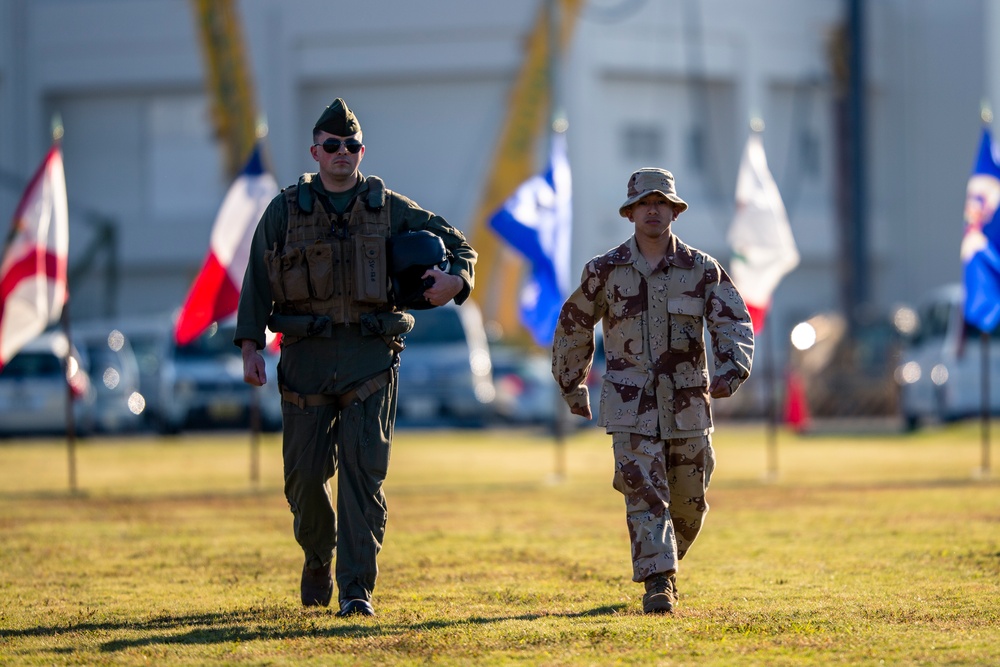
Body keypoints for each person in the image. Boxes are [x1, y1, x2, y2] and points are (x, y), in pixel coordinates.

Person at [234, 98, 477, 616]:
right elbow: (256, 277)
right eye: (331, 146)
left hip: (371, 358)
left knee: (363, 478)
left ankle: (355, 591)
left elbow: (459, 244)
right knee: (303, 480)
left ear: (361, 152)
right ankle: (318, 555)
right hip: (305, 360)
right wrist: (251, 346)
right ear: (315, 152)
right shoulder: (285, 209)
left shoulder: (389, 207)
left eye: (350, 146)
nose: (341, 153)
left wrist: (457, 279)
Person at [551, 167, 753, 614]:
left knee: (690, 502)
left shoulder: (702, 270)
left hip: (687, 406)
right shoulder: (604, 271)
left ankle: (665, 561)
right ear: (630, 212)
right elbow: (573, 326)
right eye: (645, 203)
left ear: (675, 211)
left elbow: (733, 320)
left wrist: (731, 369)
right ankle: (658, 582)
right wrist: (572, 383)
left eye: (662, 203)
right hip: (630, 406)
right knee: (645, 494)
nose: (653, 210)